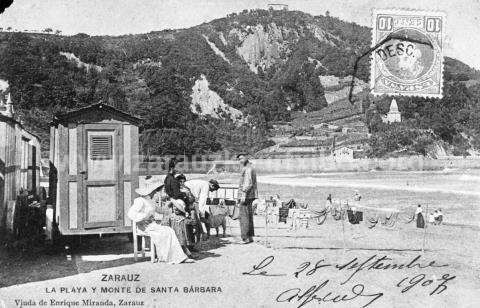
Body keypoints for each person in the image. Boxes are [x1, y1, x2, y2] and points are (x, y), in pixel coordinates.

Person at [127, 178, 193, 264]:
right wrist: (145, 217)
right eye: (154, 191)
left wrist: (171, 204)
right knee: (166, 232)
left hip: (151, 225)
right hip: (143, 226)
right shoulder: (140, 201)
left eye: (155, 191)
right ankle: (170, 257)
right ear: (150, 191)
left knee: (170, 231)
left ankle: (175, 257)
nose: (155, 192)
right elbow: (131, 214)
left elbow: (160, 210)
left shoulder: (150, 201)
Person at [176, 174, 203, 245]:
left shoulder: (187, 188)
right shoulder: (175, 189)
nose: (182, 183)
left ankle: (191, 245)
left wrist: (190, 197)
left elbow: (192, 199)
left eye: (183, 181)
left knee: (193, 225)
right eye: (180, 181)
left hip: (188, 209)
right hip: (178, 209)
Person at [237, 153, 257, 244]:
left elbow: (248, 183)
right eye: (239, 159)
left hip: (246, 195)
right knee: (249, 216)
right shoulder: (251, 167)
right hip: (251, 195)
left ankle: (245, 238)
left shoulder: (248, 168)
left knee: (243, 217)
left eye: (241, 158)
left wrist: (243, 195)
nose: (240, 161)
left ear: (246, 158)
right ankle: (250, 236)